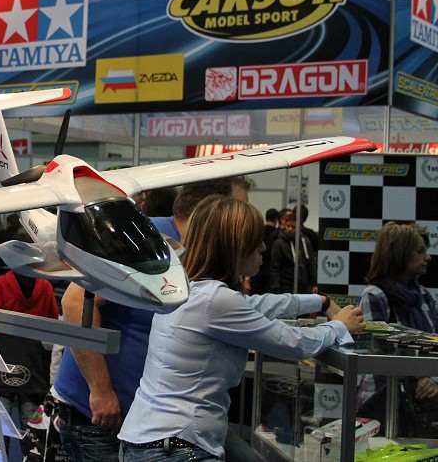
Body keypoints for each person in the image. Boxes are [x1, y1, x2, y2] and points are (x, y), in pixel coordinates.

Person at [118, 195, 365, 462]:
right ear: (234, 245)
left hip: (148, 441)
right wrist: (339, 327)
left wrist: (321, 301)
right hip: (175, 447)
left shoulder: (192, 291)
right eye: (255, 240)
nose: (263, 247)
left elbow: (259, 304)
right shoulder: (216, 300)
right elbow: (293, 343)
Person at [51, 176, 256, 462]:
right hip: (101, 415)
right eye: (239, 209)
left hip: (154, 422)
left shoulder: (202, 254)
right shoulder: (142, 238)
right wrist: (101, 390)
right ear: (211, 208)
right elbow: (75, 303)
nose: (245, 221)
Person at [357, 221, 438, 433]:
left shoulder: (424, 296)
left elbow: (435, 345)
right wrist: (420, 377)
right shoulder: (375, 296)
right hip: (382, 403)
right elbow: (378, 355)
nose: (428, 257)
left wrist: (432, 380)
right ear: (399, 254)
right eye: (420, 251)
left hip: (418, 403)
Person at [0, 265, 60, 454]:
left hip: (4, 357)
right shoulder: (45, 286)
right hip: (33, 360)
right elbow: (52, 319)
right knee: (31, 425)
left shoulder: (1, 282)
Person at [267, 210, 317, 294]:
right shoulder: (278, 244)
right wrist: (276, 288)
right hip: (285, 287)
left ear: (299, 227)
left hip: (304, 287)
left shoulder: (305, 242)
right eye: (288, 226)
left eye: (293, 226)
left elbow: (311, 264)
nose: (290, 229)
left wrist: (314, 283)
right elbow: (274, 268)